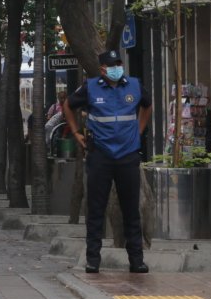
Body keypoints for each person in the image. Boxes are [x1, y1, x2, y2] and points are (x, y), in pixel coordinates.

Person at [62, 49, 152, 274]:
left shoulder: (134, 85)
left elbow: (148, 105)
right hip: (100, 155)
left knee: (131, 209)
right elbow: (68, 106)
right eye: (111, 65)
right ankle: (93, 260)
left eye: (118, 64)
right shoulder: (90, 87)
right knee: (95, 209)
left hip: (128, 155)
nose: (116, 68)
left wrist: (139, 131)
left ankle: (137, 260)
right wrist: (76, 132)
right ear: (102, 69)